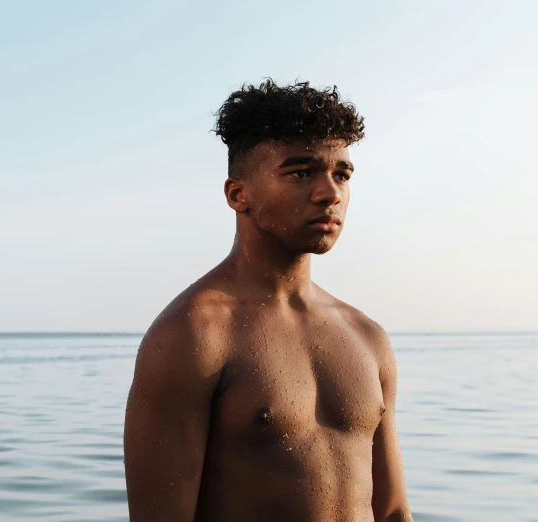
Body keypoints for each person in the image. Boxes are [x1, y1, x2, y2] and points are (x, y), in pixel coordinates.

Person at [123, 80, 412, 522]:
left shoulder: (367, 336)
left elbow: (391, 512)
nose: (329, 193)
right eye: (300, 172)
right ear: (238, 194)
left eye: (342, 174)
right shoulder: (192, 333)